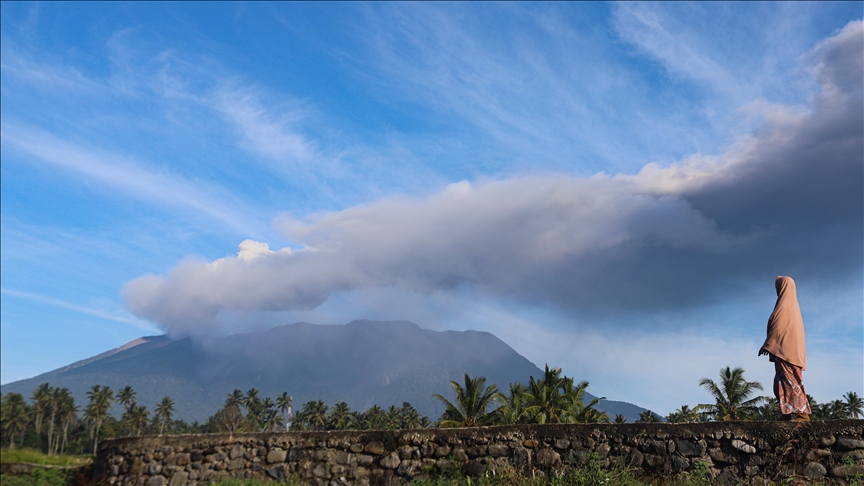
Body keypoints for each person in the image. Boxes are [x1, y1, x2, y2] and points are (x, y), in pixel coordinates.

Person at [759, 276, 811, 422]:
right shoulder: (791, 305)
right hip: (786, 351)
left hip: (787, 352)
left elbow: (778, 327)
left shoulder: (785, 306)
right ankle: (787, 413)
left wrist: (767, 344)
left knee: (791, 381)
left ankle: (802, 414)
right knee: (781, 382)